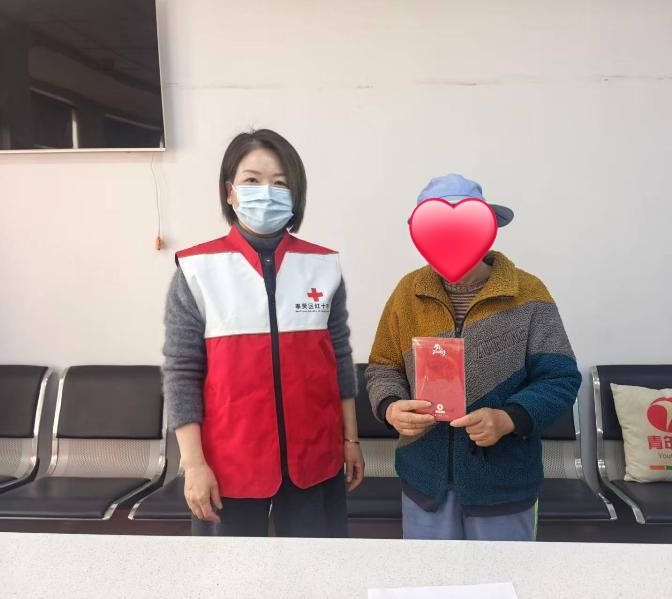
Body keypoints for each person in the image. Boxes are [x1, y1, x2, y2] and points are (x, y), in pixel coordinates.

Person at [163, 129, 364, 537]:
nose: (267, 193)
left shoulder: (322, 267)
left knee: (319, 568)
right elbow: (181, 373)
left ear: (296, 195)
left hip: (315, 457)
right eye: (252, 180)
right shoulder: (198, 270)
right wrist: (194, 464)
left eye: (280, 183)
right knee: (228, 572)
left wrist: (351, 440)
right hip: (228, 464)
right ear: (230, 192)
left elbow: (339, 357)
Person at [365, 173, 581, 541]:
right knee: (430, 575)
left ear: (488, 228)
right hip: (424, 483)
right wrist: (390, 407)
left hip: (504, 486)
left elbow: (560, 378)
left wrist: (509, 418)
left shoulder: (528, 293)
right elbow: (383, 366)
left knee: (503, 575)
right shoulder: (407, 293)